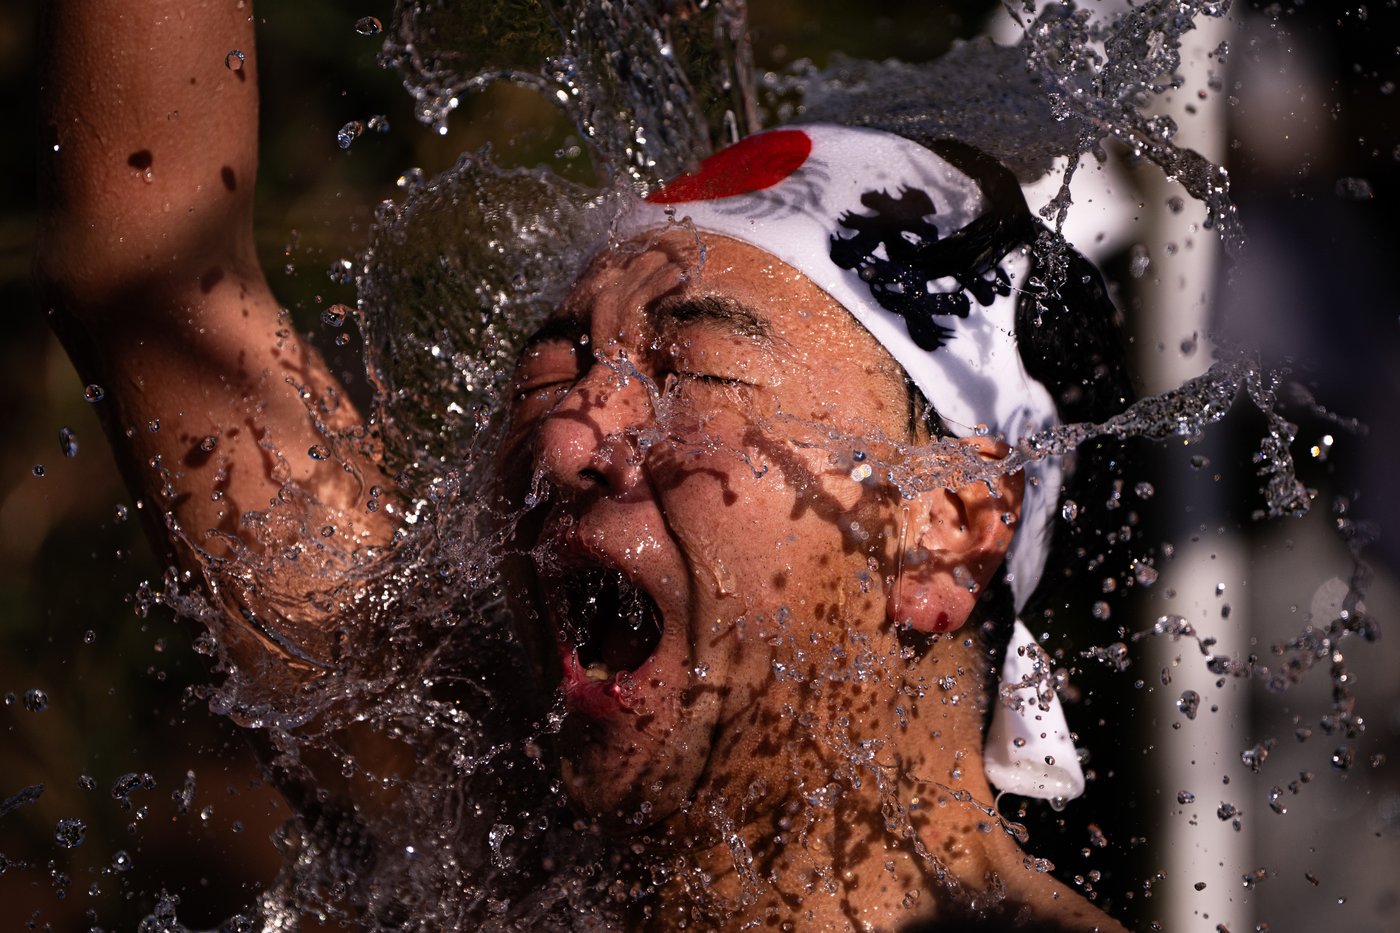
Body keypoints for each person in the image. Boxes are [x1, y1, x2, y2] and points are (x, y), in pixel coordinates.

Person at [37, 2, 1131, 930]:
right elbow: (153, 267)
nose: (564, 439)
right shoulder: (460, 807)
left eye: (689, 367)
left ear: (944, 522)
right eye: (557, 360)